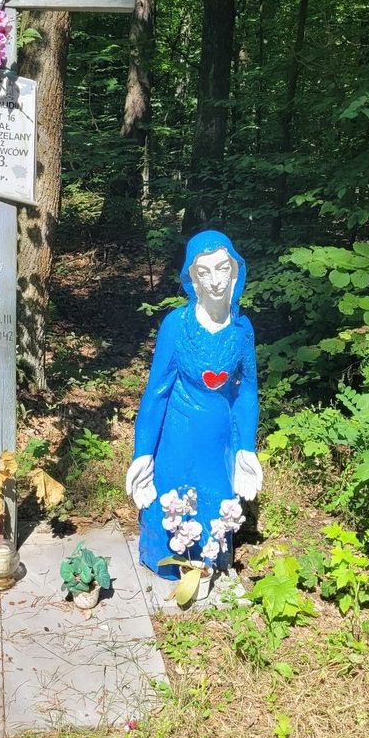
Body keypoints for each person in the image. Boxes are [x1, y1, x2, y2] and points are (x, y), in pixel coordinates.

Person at [125, 230, 262, 578]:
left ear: (235, 271)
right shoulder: (177, 325)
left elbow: (247, 391)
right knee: (173, 501)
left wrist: (246, 448)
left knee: (216, 498)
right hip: (179, 434)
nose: (215, 281)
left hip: (219, 438)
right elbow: (156, 392)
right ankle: (170, 564)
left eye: (222, 268)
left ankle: (209, 562)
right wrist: (143, 452)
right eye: (204, 272)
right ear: (193, 278)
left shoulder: (241, 329)